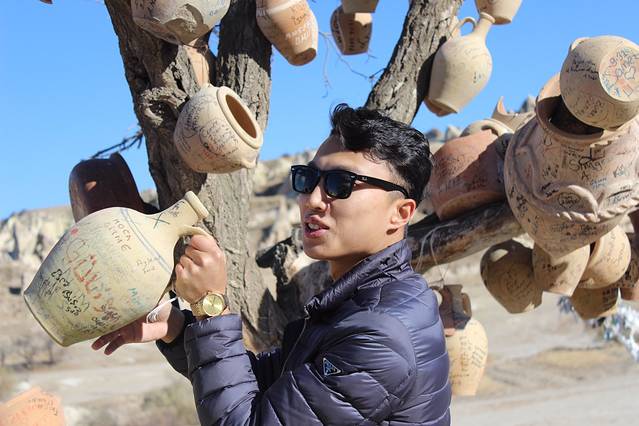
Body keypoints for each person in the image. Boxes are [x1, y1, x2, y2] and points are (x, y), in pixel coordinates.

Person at [92, 104, 451, 425]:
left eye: (340, 184)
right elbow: (269, 387)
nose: (311, 200)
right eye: (308, 179)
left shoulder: (380, 335)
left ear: (400, 213)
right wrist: (177, 328)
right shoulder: (365, 303)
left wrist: (209, 306)